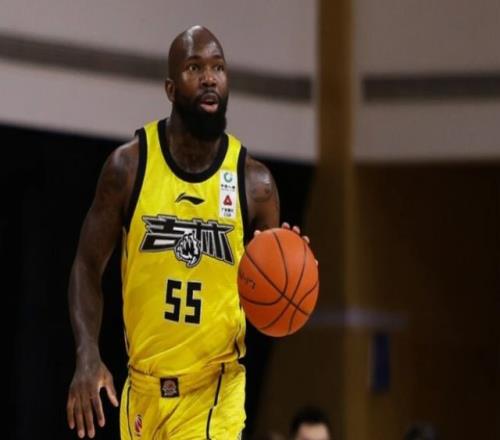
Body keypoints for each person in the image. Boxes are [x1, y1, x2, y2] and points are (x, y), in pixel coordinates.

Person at [66, 25, 308, 439]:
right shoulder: (129, 168)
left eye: (218, 68)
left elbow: (269, 301)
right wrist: (87, 352)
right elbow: (87, 267)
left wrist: (289, 267)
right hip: (142, 391)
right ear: (170, 88)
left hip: (213, 393)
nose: (210, 78)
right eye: (195, 68)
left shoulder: (255, 185)